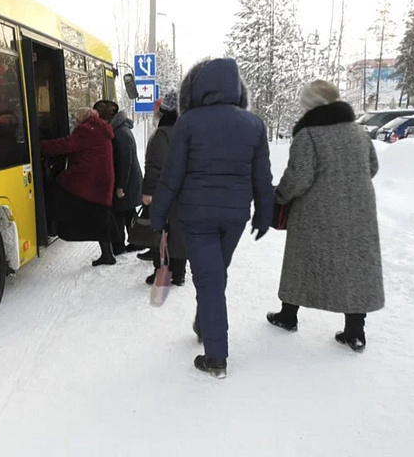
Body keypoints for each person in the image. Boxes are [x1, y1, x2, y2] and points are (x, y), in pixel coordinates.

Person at [151, 58, 273, 378]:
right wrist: (264, 213)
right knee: (215, 275)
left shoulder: (189, 122)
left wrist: (159, 212)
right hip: (234, 216)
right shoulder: (254, 124)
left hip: (196, 215)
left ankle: (216, 357)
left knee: (209, 279)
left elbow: (172, 174)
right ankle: (205, 322)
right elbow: (262, 176)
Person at [266, 80, 385, 353]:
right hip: (359, 211)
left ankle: (288, 316)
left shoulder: (309, 135)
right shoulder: (357, 132)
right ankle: (355, 332)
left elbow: (298, 178)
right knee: (354, 268)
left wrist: (279, 196)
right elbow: (373, 167)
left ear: (310, 105)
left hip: (316, 213)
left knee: (302, 262)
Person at [41, 108, 118, 266]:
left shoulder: (87, 130)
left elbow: (66, 145)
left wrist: (39, 146)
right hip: (102, 178)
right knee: (101, 214)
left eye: (77, 118)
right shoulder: (100, 128)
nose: (75, 121)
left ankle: (53, 227)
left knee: (55, 188)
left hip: (87, 177)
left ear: (84, 118)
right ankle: (108, 254)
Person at [143, 91, 187, 286]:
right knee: (180, 233)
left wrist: (148, 192)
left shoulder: (162, 134)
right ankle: (179, 274)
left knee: (161, 233)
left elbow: (155, 165)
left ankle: (162, 272)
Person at [94, 100, 143, 255]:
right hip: (128, 180)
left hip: (126, 181)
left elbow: (124, 161)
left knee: (119, 213)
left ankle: (120, 245)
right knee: (127, 212)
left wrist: (120, 186)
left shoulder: (120, 132)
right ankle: (137, 241)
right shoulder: (120, 129)